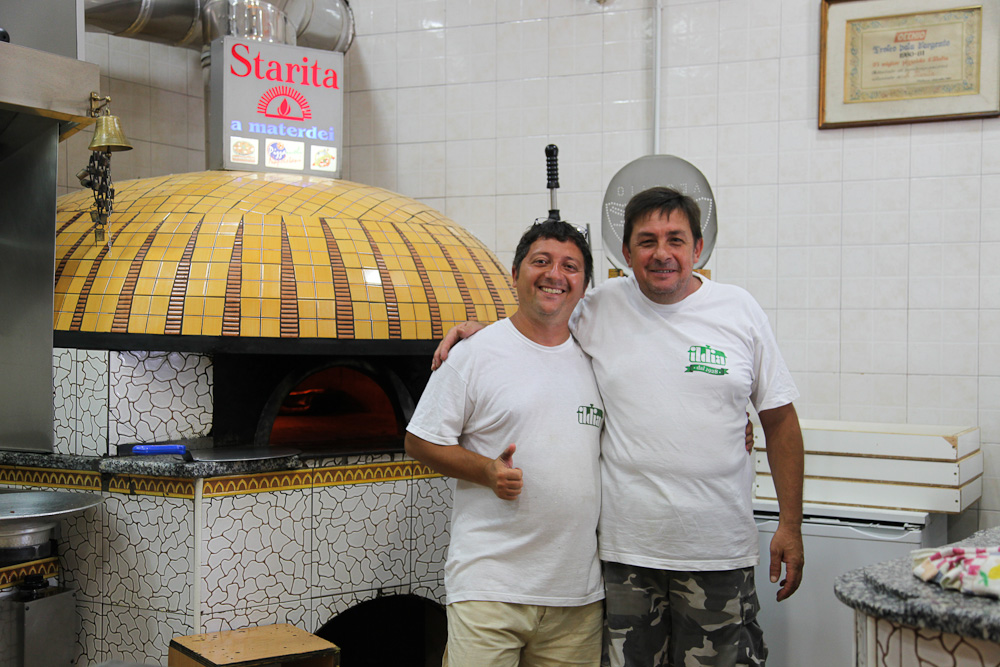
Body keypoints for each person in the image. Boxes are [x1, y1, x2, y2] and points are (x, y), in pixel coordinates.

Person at [434, 187, 804, 667]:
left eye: (675, 239)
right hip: (627, 557)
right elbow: (542, 317)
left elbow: (780, 422)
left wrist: (790, 525)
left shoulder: (740, 310)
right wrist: (483, 334)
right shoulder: (601, 306)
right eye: (647, 241)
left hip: (717, 552)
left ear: (698, 248)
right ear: (626, 253)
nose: (662, 253)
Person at [405, 219, 606, 666]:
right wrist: (485, 470)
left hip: (576, 596)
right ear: (515, 274)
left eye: (570, 266)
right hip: (490, 588)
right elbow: (419, 441)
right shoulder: (476, 353)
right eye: (541, 261)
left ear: (583, 284)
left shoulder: (598, 359)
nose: (555, 274)